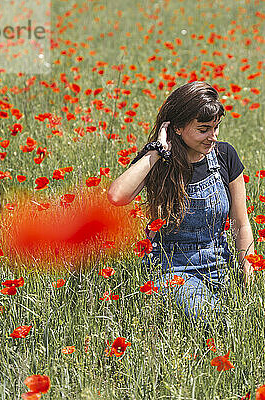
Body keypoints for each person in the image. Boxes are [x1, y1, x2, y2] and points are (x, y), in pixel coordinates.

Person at [107, 81, 255, 325]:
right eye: (203, 129)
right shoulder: (158, 161)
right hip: (174, 270)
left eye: (216, 128)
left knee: (249, 321)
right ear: (176, 128)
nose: (212, 137)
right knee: (212, 321)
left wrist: (246, 270)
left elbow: (241, 223)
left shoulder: (225, 155)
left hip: (220, 263)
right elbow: (117, 197)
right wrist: (156, 151)